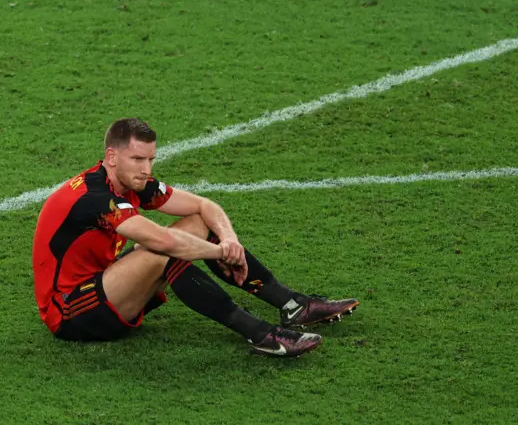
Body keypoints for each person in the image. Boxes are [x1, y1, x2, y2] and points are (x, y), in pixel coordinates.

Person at [31, 118, 359, 357]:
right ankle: (260, 335)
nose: (146, 170)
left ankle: (293, 305)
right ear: (111, 157)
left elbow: (204, 206)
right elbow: (165, 243)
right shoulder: (94, 197)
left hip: (104, 284)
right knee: (163, 250)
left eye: (150, 159)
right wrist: (219, 255)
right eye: (137, 159)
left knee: (197, 222)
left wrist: (228, 239)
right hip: (71, 312)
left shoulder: (129, 182)